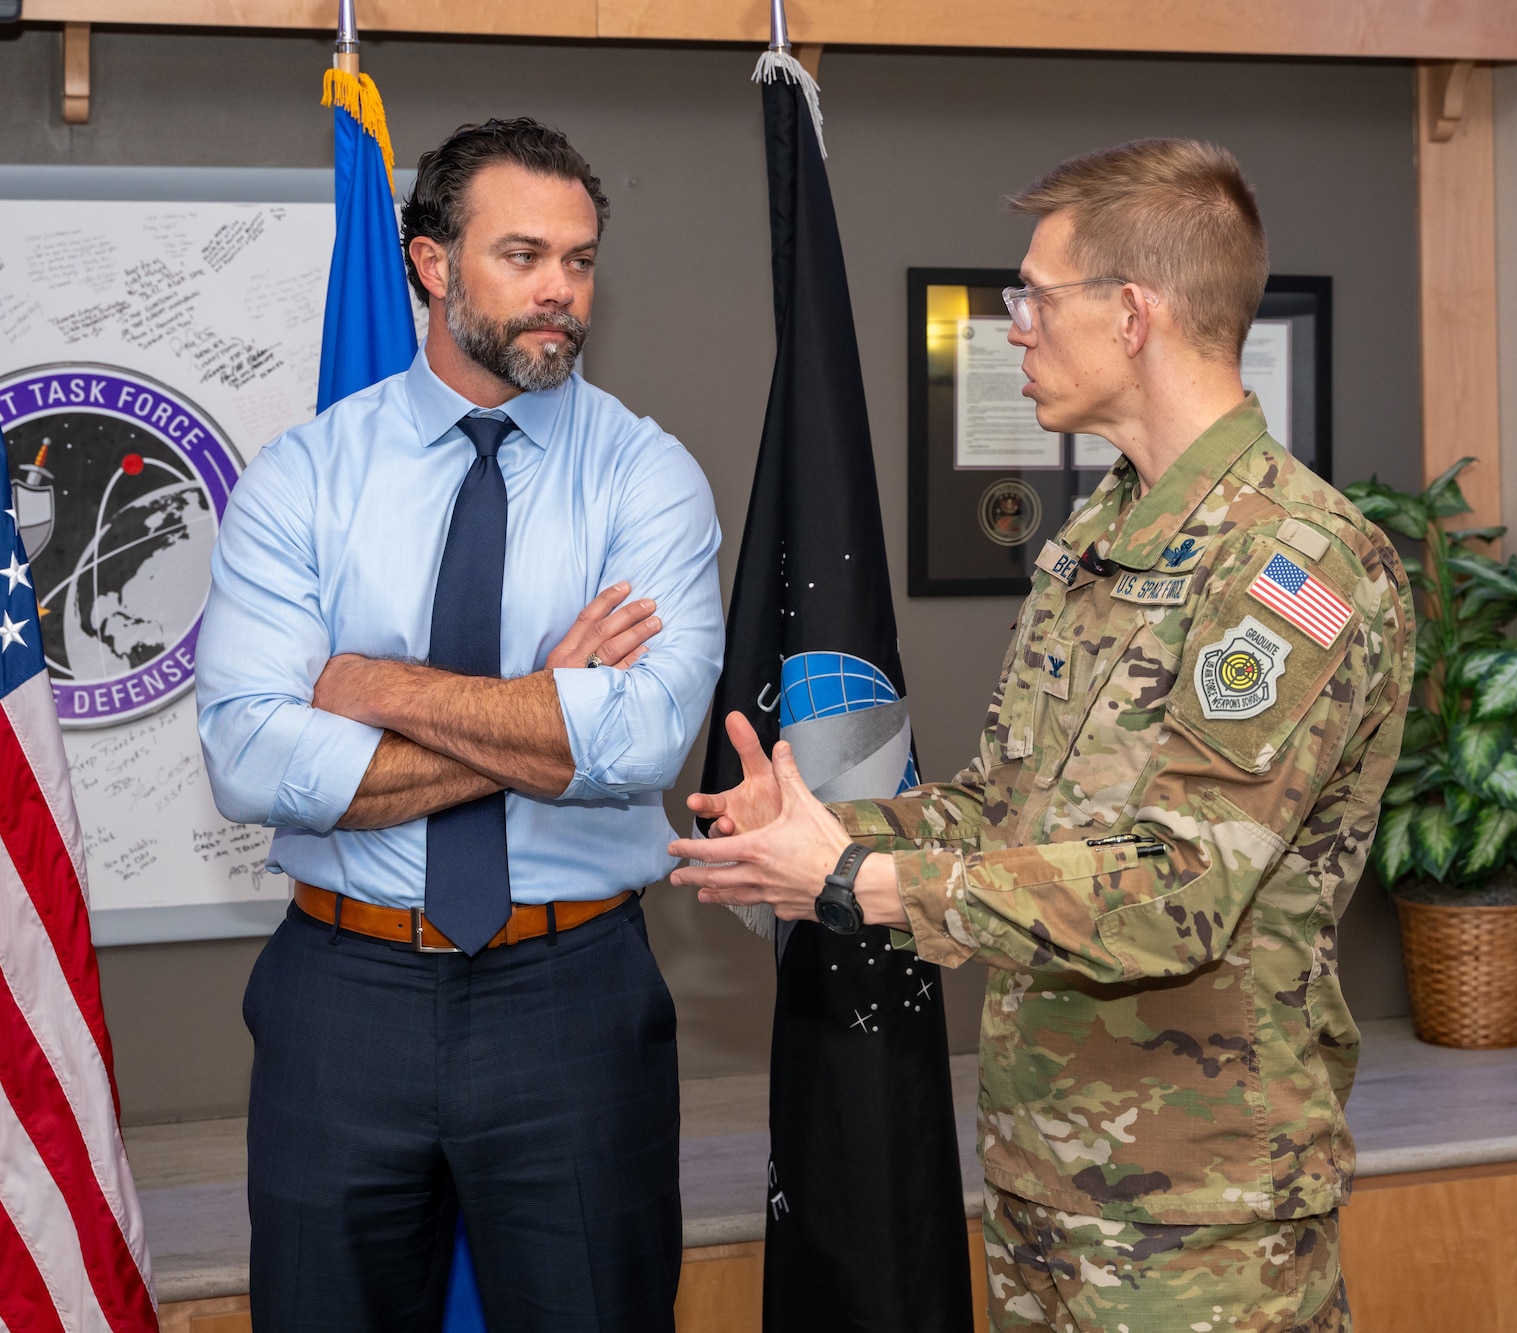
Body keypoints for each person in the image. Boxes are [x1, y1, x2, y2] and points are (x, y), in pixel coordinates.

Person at [669, 138, 1413, 1332]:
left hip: (1197, 1225)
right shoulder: (1095, 540)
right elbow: (1004, 809)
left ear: (1131, 313)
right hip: (1045, 1186)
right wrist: (821, 830)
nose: (1011, 324)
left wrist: (863, 880)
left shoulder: (1290, 566)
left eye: (1033, 296)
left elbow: (1176, 888)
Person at [197, 117, 723, 1332]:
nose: (560, 292)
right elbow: (249, 755)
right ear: (431, 266)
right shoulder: (307, 475)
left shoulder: (645, 477)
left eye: (580, 261)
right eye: (523, 256)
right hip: (343, 997)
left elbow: (638, 745)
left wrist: (371, 683)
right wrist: (541, 714)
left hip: (573, 997)